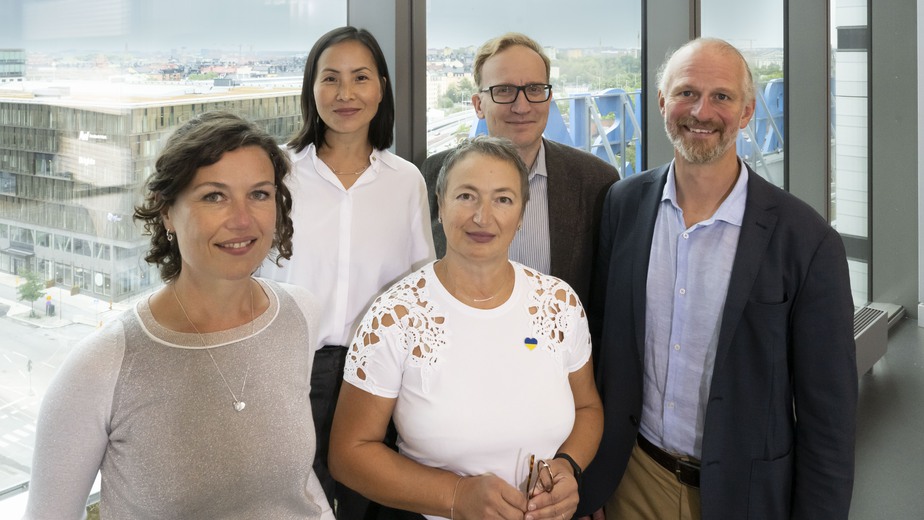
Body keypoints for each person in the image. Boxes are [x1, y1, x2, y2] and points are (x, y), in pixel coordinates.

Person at [577, 38, 857, 519]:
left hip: (746, 495)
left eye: (722, 97)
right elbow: (602, 344)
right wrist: (595, 485)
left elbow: (828, 418)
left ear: (747, 112)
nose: (701, 112)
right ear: (662, 103)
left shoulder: (807, 241)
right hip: (633, 478)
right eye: (686, 93)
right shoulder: (622, 205)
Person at [24, 111, 334, 519]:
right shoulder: (102, 366)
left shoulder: (299, 314)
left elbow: (294, 484)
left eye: (259, 194)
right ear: (167, 212)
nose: (242, 220)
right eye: (214, 196)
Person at [329, 136, 603, 520]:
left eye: (503, 199)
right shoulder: (395, 315)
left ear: (521, 214)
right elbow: (348, 454)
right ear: (440, 204)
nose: (482, 217)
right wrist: (456, 495)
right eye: (466, 196)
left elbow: (588, 407)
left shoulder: (559, 303)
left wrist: (568, 466)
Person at [259, 26, 435, 518]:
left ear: (381, 86)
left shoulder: (405, 181)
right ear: (311, 90)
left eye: (360, 78)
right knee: (293, 504)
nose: (345, 94)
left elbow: (418, 287)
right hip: (290, 369)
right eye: (330, 78)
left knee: (373, 506)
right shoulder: (279, 173)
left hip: (376, 375)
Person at [421, 32, 616, 306]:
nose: (521, 106)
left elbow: (602, 300)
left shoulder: (595, 181)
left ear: (548, 98)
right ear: (478, 104)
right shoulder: (433, 174)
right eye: (504, 91)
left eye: (535, 89)